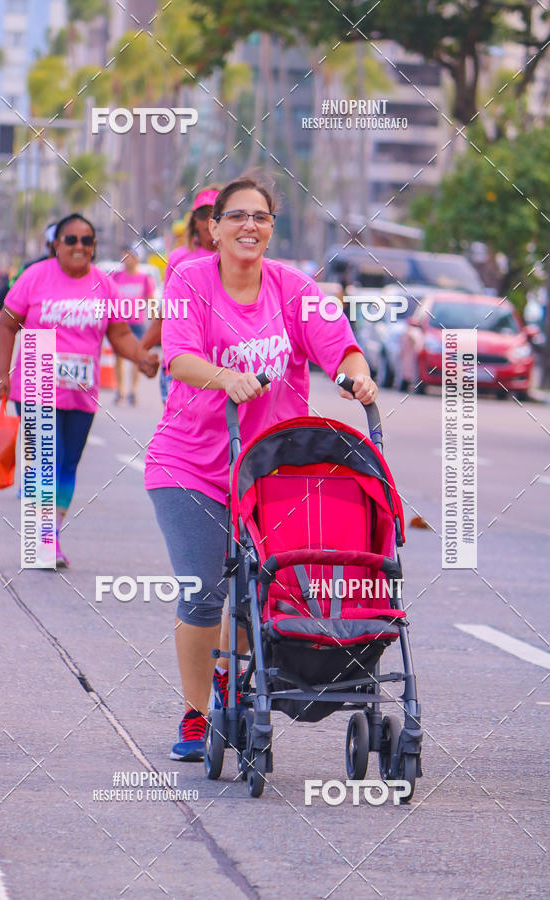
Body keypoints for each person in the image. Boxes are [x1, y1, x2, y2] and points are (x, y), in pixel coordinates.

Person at [145, 176, 378, 761]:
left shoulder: (295, 287)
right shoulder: (189, 280)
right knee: (204, 590)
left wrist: (357, 374)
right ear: (215, 228)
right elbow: (178, 356)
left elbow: (340, 347)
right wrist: (225, 377)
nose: (250, 226)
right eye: (238, 217)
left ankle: (233, 692)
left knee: (255, 593)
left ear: (271, 229)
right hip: (189, 462)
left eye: (262, 217)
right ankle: (198, 714)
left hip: (267, 471)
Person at [0, 213, 159, 567]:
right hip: (36, 380)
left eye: (87, 240)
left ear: (95, 247)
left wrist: (141, 358)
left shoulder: (105, 284)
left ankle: (50, 534)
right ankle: (44, 542)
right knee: (44, 463)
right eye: (71, 239)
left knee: (67, 463)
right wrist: (2, 373)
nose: (79, 246)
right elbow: (8, 324)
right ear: (56, 244)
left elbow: (120, 334)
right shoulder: (35, 277)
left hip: (82, 391)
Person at [143, 187, 220, 404]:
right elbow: (168, 313)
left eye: (216, 214)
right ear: (194, 221)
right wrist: (140, 352)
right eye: (203, 215)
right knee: (180, 425)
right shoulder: (179, 258)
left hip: (220, 366)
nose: (209, 222)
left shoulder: (235, 258)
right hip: (179, 363)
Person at [113, 246, 156, 406]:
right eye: (124, 255)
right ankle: (120, 390)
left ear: (137, 258)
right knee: (118, 357)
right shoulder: (116, 277)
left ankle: (133, 391)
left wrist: (154, 324)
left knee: (137, 357)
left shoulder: (144, 278)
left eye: (129, 256)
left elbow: (151, 300)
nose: (126, 259)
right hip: (120, 323)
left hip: (137, 324)